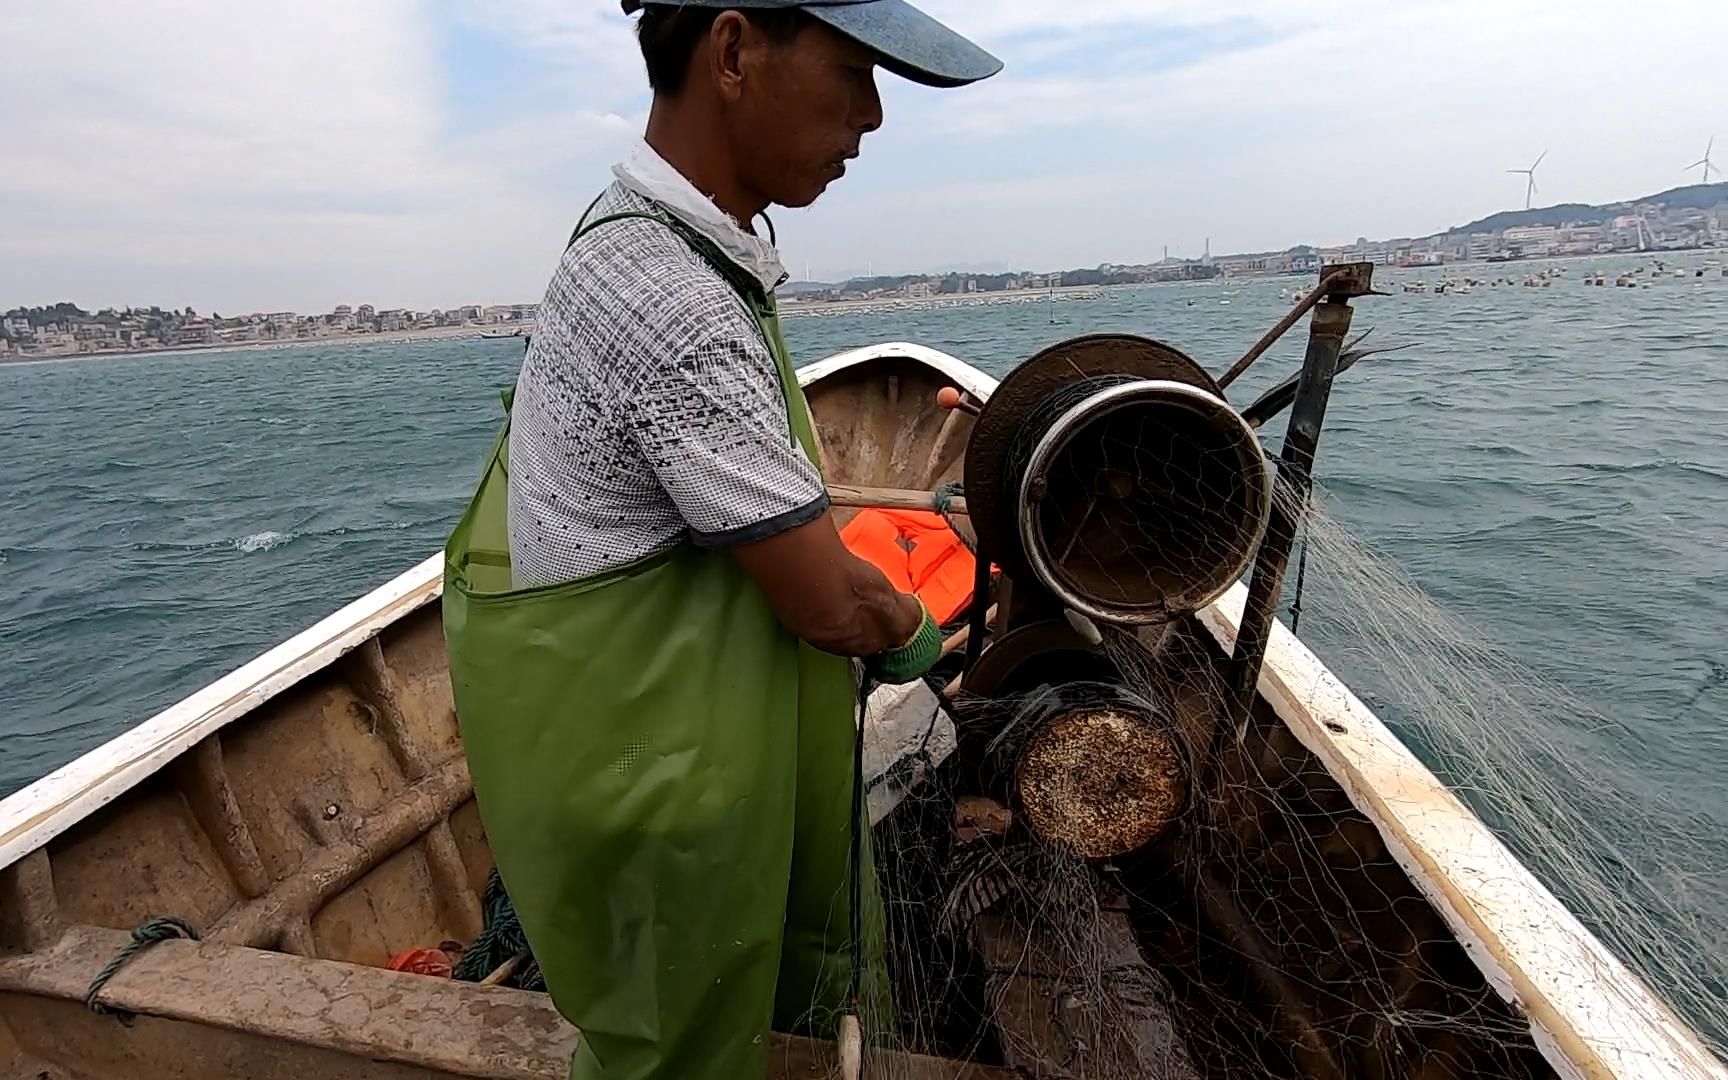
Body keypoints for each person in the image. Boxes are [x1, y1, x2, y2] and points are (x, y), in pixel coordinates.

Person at [441, 3, 1000, 1078]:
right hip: (652, 788)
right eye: (853, 75)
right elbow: (828, 605)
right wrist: (919, 633)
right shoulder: (673, 304)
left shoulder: (636, 237)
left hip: (642, 743)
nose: (872, 118)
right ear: (734, 51)